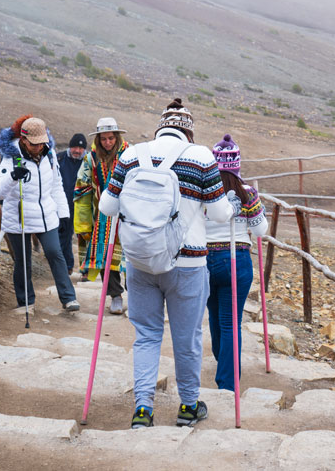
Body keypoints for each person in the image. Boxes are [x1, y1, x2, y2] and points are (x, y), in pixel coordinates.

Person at [99, 98, 239, 430]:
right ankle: (189, 406)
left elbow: (107, 206)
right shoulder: (202, 157)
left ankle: (143, 409)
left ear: (160, 128)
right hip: (187, 264)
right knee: (186, 337)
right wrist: (230, 206)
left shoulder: (131, 155)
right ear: (188, 132)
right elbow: (220, 214)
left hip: (140, 261)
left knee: (146, 335)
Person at [0, 116, 79, 311]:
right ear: (23, 140)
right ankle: (26, 302)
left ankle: (68, 298)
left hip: (46, 214)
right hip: (18, 216)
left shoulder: (50, 155)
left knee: (55, 253)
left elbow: (57, 184)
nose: (39, 147)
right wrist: (13, 177)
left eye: (42, 143)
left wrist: (63, 214)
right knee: (23, 261)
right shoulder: (10, 158)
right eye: (34, 144)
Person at [204, 134, 268, 392]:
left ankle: (224, 363)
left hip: (205, 259)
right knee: (231, 321)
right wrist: (254, 213)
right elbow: (262, 230)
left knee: (213, 314)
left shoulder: (204, 190)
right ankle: (228, 383)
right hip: (237, 260)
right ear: (237, 165)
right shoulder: (247, 193)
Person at [74, 118, 129, 315]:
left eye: (111, 138)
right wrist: (83, 219)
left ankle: (137, 293)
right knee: (107, 254)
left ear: (117, 137)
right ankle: (115, 295)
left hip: (130, 212)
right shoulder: (91, 159)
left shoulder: (129, 154)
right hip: (105, 214)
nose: (108, 142)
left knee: (132, 253)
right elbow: (82, 186)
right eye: (104, 139)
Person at [57, 133, 87, 276]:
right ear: (70, 146)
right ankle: (66, 267)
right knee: (64, 235)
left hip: (83, 205)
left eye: (81, 148)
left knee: (84, 236)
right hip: (63, 204)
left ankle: (86, 271)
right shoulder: (60, 158)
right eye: (75, 147)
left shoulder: (89, 161)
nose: (77, 151)